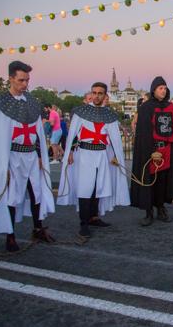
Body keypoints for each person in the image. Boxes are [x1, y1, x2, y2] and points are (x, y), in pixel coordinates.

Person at [0, 61, 55, 251]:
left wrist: (38, 154)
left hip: (30, 156)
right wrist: (1, 166)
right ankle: (10, 236)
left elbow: (37, 132)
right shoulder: (0, 106)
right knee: (12, 196)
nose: (25, 84)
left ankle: (38, 228)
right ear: (11, 78)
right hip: (11, 156)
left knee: (36, 192)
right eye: (21, 80)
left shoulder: (32, 103)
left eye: (27, 80)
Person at [57, 82, 129, 237]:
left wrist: (117, 156)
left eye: (100, 93)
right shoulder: (81, 112)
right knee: (85, 188)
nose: (97, 96)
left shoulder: (109, 115)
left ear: (105, 95)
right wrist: (69, 151)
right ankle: (83, 223)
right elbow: (72, 135)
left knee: (98, 187)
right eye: (94, 92)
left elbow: (115, 139)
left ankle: (94, 217)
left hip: (102, 155)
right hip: (85, 155)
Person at [130, 76, 173, 226]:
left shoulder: (171, 107)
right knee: (149, 181)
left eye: (165, 88)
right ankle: (149, 211)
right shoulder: (145, 108)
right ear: (154, 90)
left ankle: (161, 208)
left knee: (163, 181)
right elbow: (144, 132)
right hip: (151, 150)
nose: (163, 91)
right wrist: (151, 150)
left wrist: (170, 148)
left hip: (166, 150)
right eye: (160, 88)